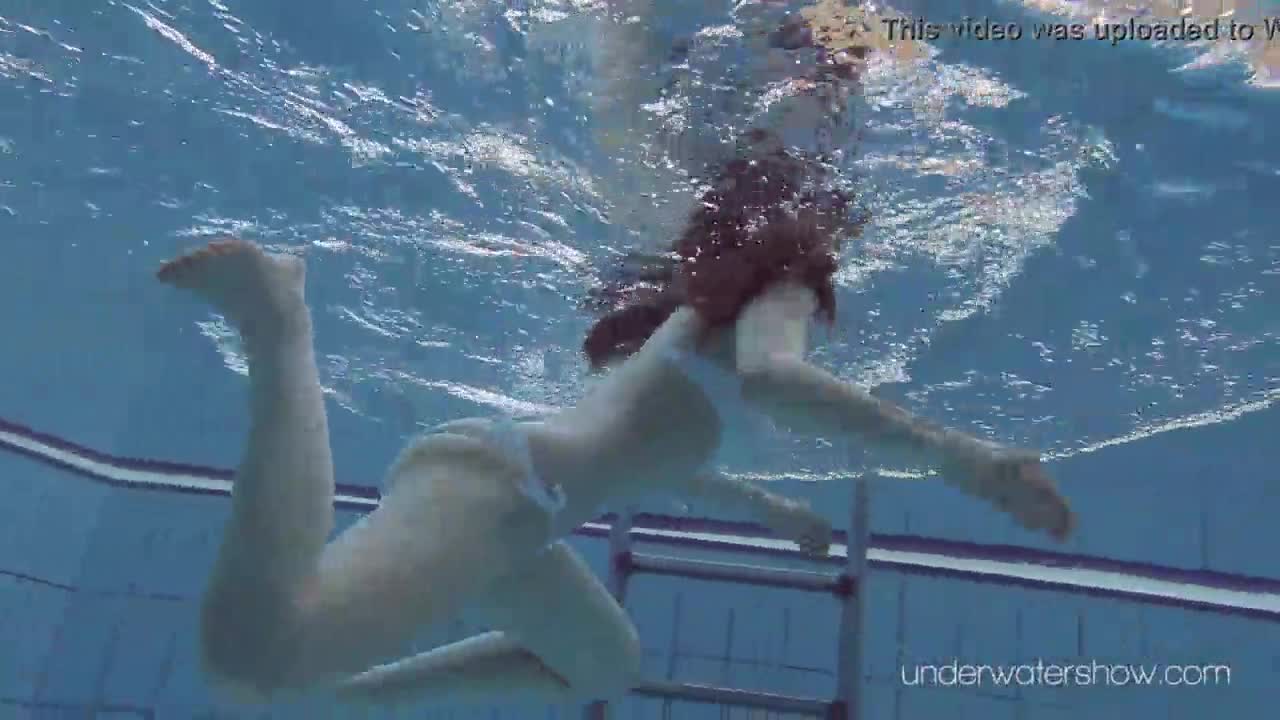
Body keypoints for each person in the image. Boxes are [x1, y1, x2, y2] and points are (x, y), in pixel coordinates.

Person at [155, 0, 1072, 710]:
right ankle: (277, 321)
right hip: (503, 488)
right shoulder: (789, 280)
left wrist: (769, 509)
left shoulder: (702, 316)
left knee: (600, 668)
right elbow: (773, 379)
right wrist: (960, 456)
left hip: (526, 506)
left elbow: (659, 450)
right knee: (257, 662)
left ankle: (350, 701)